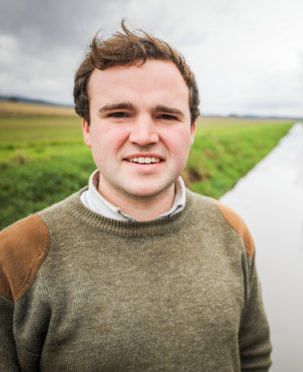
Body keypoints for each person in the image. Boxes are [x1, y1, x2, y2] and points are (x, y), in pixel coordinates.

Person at [0, 22, 271, 371]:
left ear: (191, 130)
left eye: (166, 115)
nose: (144, 135)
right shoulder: (18, 254)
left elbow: (254, 357)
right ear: (87, 128)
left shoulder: (231, 231)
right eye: (119, 114)